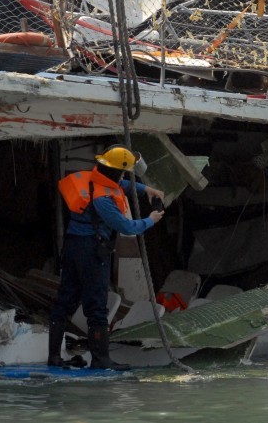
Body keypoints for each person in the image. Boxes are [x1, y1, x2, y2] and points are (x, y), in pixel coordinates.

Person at [48, 144, 165, 370]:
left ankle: (54, 356)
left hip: (72, 247)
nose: (124, 176)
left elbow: (119, 184)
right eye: (123, 171)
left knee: (64, 302)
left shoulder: (94, 180)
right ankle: (101, 360)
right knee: (96, 306)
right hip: (91, 251)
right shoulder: (103, 200)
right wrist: (151, 220)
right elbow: (127, 227)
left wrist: (145, 190)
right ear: (117, 171)